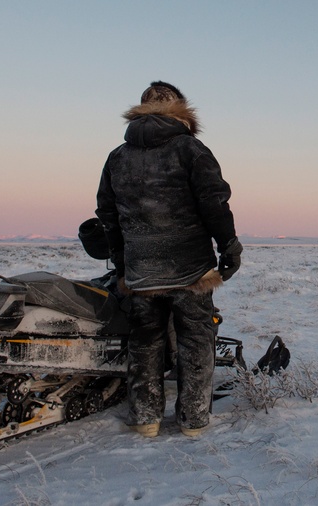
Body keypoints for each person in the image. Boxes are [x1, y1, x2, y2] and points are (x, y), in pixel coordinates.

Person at [95, 81, 242, 438]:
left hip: (142, 270)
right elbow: (214, 202)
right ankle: (193, 421)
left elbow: (107, 214)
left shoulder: (118, 156)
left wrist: (122, 261)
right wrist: (229, 246)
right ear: (179, 108)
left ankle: (145, 419)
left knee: (145, 341)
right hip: (190, 268)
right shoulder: (190, 149)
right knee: (195, 339)